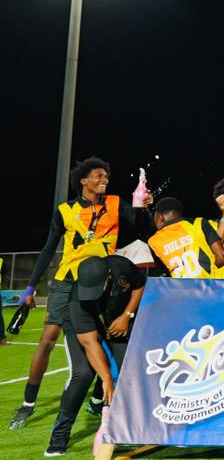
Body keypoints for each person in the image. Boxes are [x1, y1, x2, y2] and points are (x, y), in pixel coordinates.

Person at [10, 158, 152, 430]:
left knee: (106, 338)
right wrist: (30, 287)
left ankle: (98, 400)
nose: (104, 179)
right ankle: (28, 403)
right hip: (67, 281)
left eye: (106, 175)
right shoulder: (65, 210)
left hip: (101, 282)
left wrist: (143, 208)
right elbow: (49, 248)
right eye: (98, 175)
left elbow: (140, 227)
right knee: (48, 338)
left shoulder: (115, 203)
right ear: (83, 180)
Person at [43, 255, 144, 457]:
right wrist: (106, 378)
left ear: (109, 276)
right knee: (83, 374)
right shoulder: (77, 300)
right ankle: (59, 436)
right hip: (84, 329)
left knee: (128, 372)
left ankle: (126, 429)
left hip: (118, 319)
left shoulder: (121, 266)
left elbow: (139, 286)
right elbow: (89, 343)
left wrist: (127, 315)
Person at [147, 197, 224, 277]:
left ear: (160, 217)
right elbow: (222, 257)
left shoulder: (153, 242)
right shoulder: (198, 223)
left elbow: (157, 275)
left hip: (182, 286)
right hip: (208, 284)